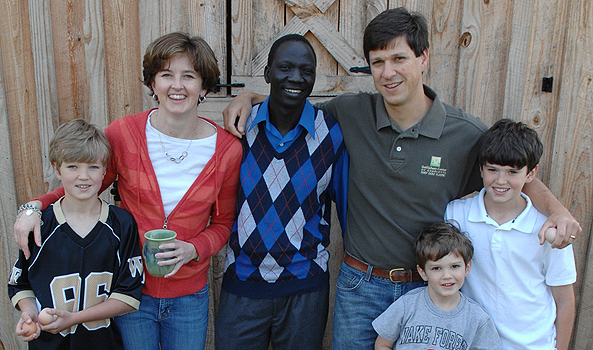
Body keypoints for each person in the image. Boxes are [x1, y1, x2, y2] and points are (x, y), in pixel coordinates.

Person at [221, 7, 581, 349]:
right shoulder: (351, 113)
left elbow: (511, 171)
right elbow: (290, 101)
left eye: (399, 59)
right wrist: (249, 97)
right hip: (359, 286)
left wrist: (558, 211)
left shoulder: (465, 133)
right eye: (378, 62)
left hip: (428, 290)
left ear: (424, 58)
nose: (388, 72)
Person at [13, 32, 243, 350]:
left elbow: (223, 223)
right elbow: (84, 187)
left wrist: (193, 249)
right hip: (129, 294)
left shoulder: (227, 150)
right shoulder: (124, 134)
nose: (177, 85)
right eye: (166, 75)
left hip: (190, 296)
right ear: (152, 84)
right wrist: (34, 206)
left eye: (188, 76)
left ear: (203, 87)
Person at [214, 34, 347, 350]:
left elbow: (345, 206)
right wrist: (246, 97)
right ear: (268, 74)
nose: (296, 78)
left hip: (305, 285)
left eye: (306, 70)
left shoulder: (330, 134)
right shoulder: (239, 131)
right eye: (285, 67)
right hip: (243, 282)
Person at [8, 119, 143, 349]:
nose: (83, 176)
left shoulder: (121, 224)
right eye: (73, 166)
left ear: (104, 171)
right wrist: (29, 313)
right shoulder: (41, 225)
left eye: (93, 167)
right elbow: (21, 283)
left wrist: (73, 319)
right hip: (49, 344)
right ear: (56, 169)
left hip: (103, 343)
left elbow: (129, 295)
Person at [445, 119, 576, 350]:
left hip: (533, 345)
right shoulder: (457, 215)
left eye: (512, 172)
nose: (501, 181)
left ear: (531, 173)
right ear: (480, 169)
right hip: (474, 343)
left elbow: (564, 299)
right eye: (492, 170)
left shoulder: (548, 227)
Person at [372, 222, 501, 350]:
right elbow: (382, 344)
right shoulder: (407, 305)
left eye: (454, 266)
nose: (446, 276)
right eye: (436, 268)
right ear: (423, 272)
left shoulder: (478, 319)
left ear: (467, 267)